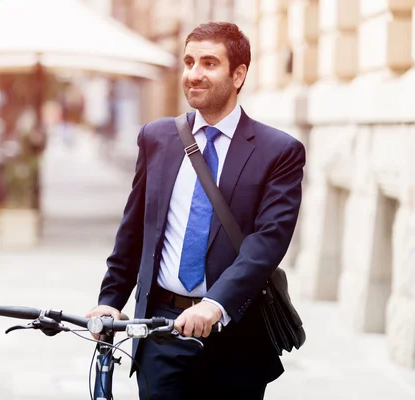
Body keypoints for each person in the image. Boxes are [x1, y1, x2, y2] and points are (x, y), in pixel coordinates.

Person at [86, 21, 306, 399]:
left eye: (208, 63)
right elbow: (136, 229)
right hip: (159, 330)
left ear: (238, 75)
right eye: (189, 62)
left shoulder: (279, 151)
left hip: (235, 333)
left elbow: (267, 243)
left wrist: (215, 305)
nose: (194, 74)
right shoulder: (156, 138)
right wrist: (110, 301)